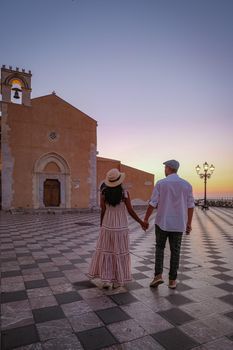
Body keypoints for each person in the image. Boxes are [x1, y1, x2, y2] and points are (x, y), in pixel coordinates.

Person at [88, 168, 147, 289]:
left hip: (107, 226)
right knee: (118, 253)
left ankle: (106, 280)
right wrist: (141, 222)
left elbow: (103, 210)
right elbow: (130, 210)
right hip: (121, 227)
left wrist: (101, 225)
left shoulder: (104, 193)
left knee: (107, 251)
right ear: (119, 180)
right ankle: (117, 280)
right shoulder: (124, 193)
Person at [144, 160, 195, 289]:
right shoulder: (186, 185)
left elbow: (152, 203)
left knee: (159, 248)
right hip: (178, 224)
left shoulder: (161, 183)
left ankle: (158, 276)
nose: (164, 170)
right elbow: (190, 206)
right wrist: (189, 223)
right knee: (175, 251)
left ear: (169, 168)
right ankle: (172, 280)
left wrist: (145, 219)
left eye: (165, 167)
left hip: (162, 222)